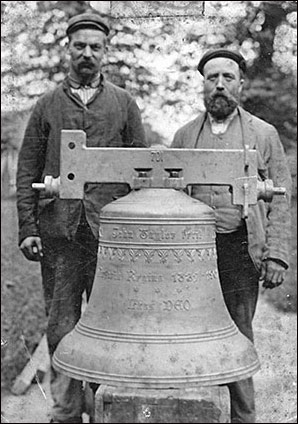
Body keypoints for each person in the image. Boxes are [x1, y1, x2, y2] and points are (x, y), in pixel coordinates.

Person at [16, 12, 147, 424]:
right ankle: (67, 410)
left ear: (106, 53)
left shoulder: (124, 104)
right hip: (61, 234)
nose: (86, 53)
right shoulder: (47, 105)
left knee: (113, 323)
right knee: (63, 325)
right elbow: (27, 169)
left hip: (111, 236)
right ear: (68, 50)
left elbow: (140, 169)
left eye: (95, 47)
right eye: (79, 46)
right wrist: (27, 227)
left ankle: (108, 406)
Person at [170, 49, 292, 423]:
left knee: (238, 334)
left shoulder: (263, 134)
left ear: (241, 84)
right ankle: (195, 411)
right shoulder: (185, 135)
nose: (219, 85)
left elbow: (282, 199)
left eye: (227, 77)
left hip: (240, 247)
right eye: (212, 78)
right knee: (190, 331)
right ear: (203, 85)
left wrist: (276, 255)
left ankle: (243, 416)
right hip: (195, 251)